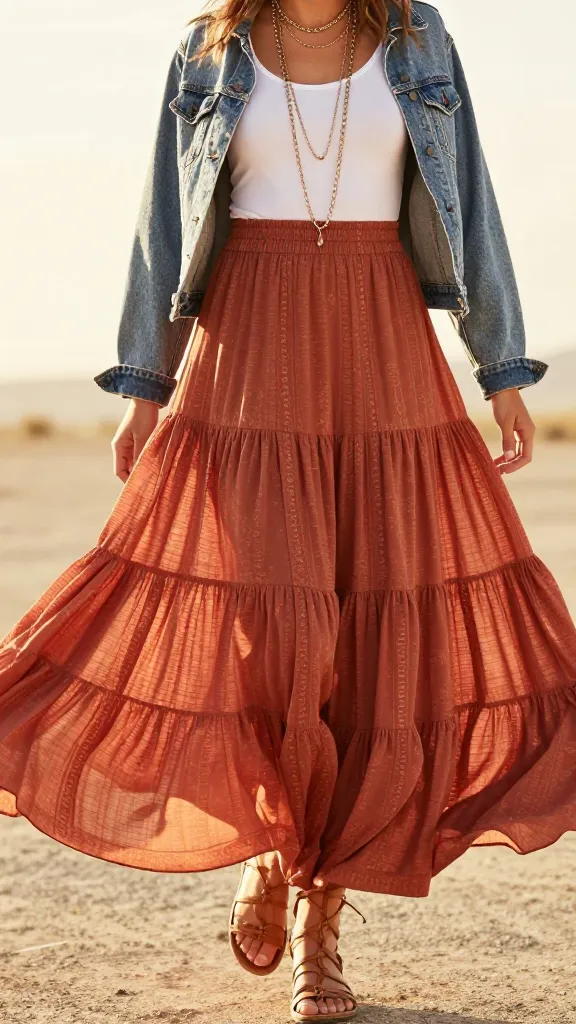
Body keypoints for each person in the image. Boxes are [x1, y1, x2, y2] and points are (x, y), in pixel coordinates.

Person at [1, 1, 575, 1020]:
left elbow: (470, 205)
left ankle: (321, 915)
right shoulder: (208, 48)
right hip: (250, 347)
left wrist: (503, 371)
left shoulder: (416, 37)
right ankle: (273, 847)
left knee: (368, 635)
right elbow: (162, 225)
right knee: (275, 631)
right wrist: (145, 389)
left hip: (384, 340)